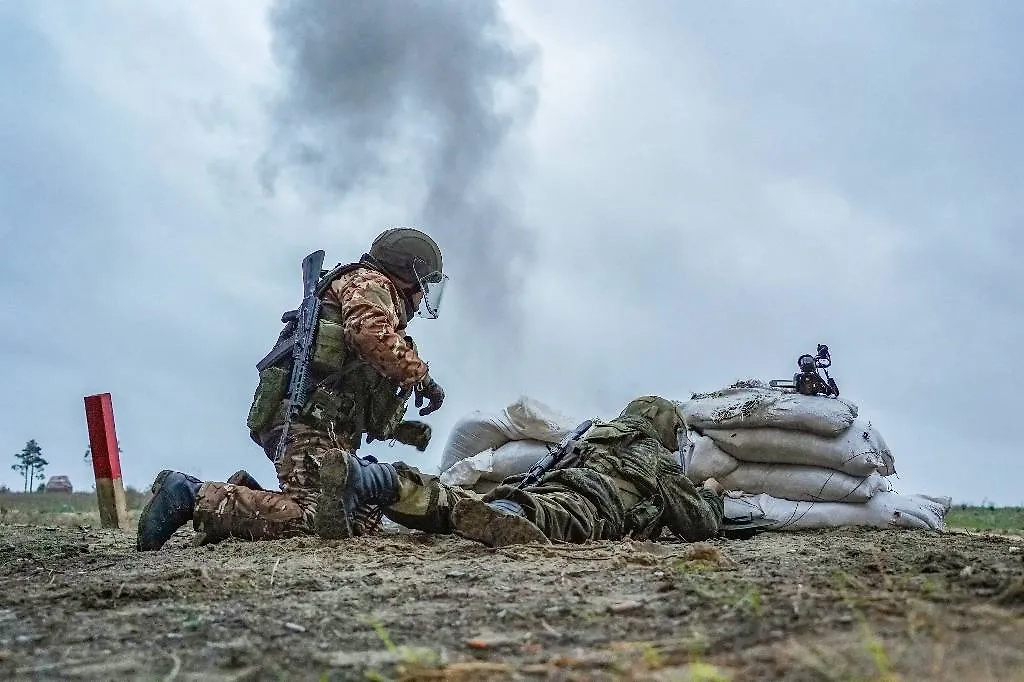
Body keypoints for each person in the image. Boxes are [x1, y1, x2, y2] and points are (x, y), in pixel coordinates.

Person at [137, 227, 449, 551]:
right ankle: (189, 495)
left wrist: (398, 429)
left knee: (359, 522)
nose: (422, 299)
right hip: (305, 419)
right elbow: (367, 334)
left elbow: (353, 388)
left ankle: (240, 501)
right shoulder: (370, 283)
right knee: (318, 517)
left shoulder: (371, 291)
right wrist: (420, 376)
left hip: (322, 424)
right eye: (424, 286)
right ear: (408, 272)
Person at [316, 395, 726, 546]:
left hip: (546, 486)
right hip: (584, 503)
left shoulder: (592, 437)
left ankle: (371, 478)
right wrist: (712, 493)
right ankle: (505, 514)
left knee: (455, 505)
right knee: (553, 517)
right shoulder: (653, 455)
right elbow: (699, 524)